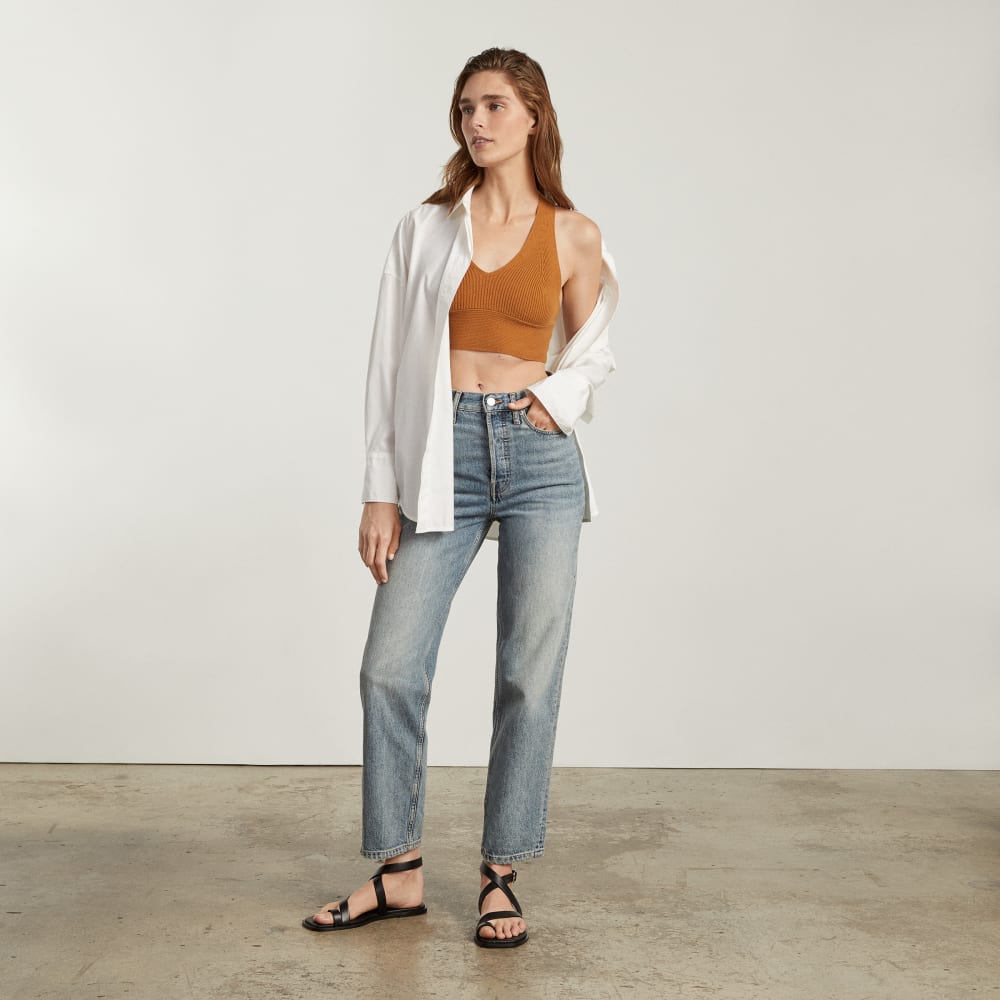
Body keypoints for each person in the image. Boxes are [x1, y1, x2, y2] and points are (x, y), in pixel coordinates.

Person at [303, 46, 619, 948]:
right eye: (466, 107)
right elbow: (386, 362)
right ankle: (399, 873)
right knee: (390, 666)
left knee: (528, 673)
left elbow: (595, 349)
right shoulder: (426, 227)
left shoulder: (573, 234)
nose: (476, 121)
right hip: (444, 456)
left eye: (494, 105)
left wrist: (555, 399)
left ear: (533, 116)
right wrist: (379, 490)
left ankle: (500, 873)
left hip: (540, 460)